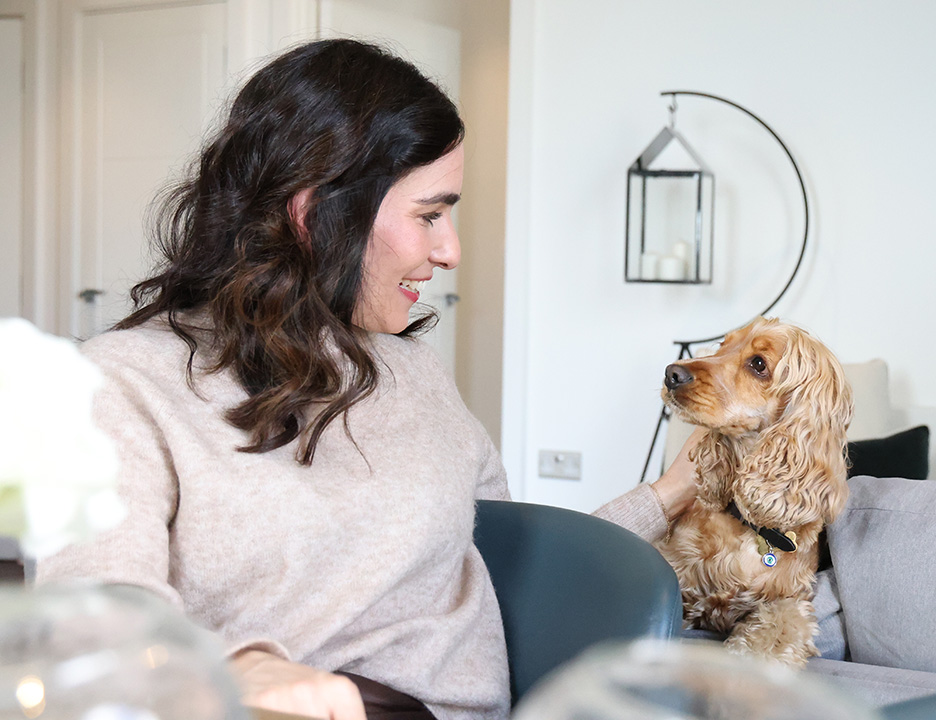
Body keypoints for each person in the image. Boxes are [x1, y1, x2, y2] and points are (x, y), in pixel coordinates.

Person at [34, 39, 699, 720]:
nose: (450, 251)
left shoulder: (414, 373)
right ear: (314, 210)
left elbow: (507, 557)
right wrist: (242, 669)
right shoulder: (122, 382)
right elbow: (93, 610)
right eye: (429, 214)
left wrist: (671, 493)